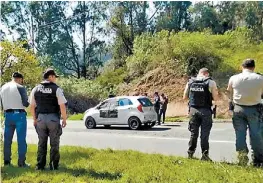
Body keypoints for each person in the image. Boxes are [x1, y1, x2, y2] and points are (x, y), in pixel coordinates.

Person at [29, 68, 67, 170]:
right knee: (54, 143)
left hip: (40, 118)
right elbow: (62, 106)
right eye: (54, 77)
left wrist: (34, 119)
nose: (55, 79)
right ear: (50, 77)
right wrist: (64, 119)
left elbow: (32, 106)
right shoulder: (56, 89)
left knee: (41, 142)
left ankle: (40, 165)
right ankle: (54, 165)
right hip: (53, 119)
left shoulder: (35, 89)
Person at [227, 59, 263, 167]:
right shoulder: (260, 78)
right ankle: (258, 161)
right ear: (253, 67)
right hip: (254, 109)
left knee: (240, 135)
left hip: (238, 108)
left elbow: (229, 92)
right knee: (256, 135)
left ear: (242, 66)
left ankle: (242, 159)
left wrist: (231, 107)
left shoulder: (234, 78)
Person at [183, 68, 218, 161]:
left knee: (193, 133)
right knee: (204, 135)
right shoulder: (210, 82)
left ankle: (190, 153)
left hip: (193, 110)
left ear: (199, 73)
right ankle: (205, 156)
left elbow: (184, 97)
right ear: (206, 73)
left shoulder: (190, 82)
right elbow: (215, 98)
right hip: (205, 110)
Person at [0, 72, 30, 167]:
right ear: (20, 79)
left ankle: (7, 161)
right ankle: (21, 162)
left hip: (7, 115)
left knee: (7, 140)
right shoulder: (20, 87)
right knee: (21, 139)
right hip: (19, 115)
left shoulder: (3, 87)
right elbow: (25, 103)